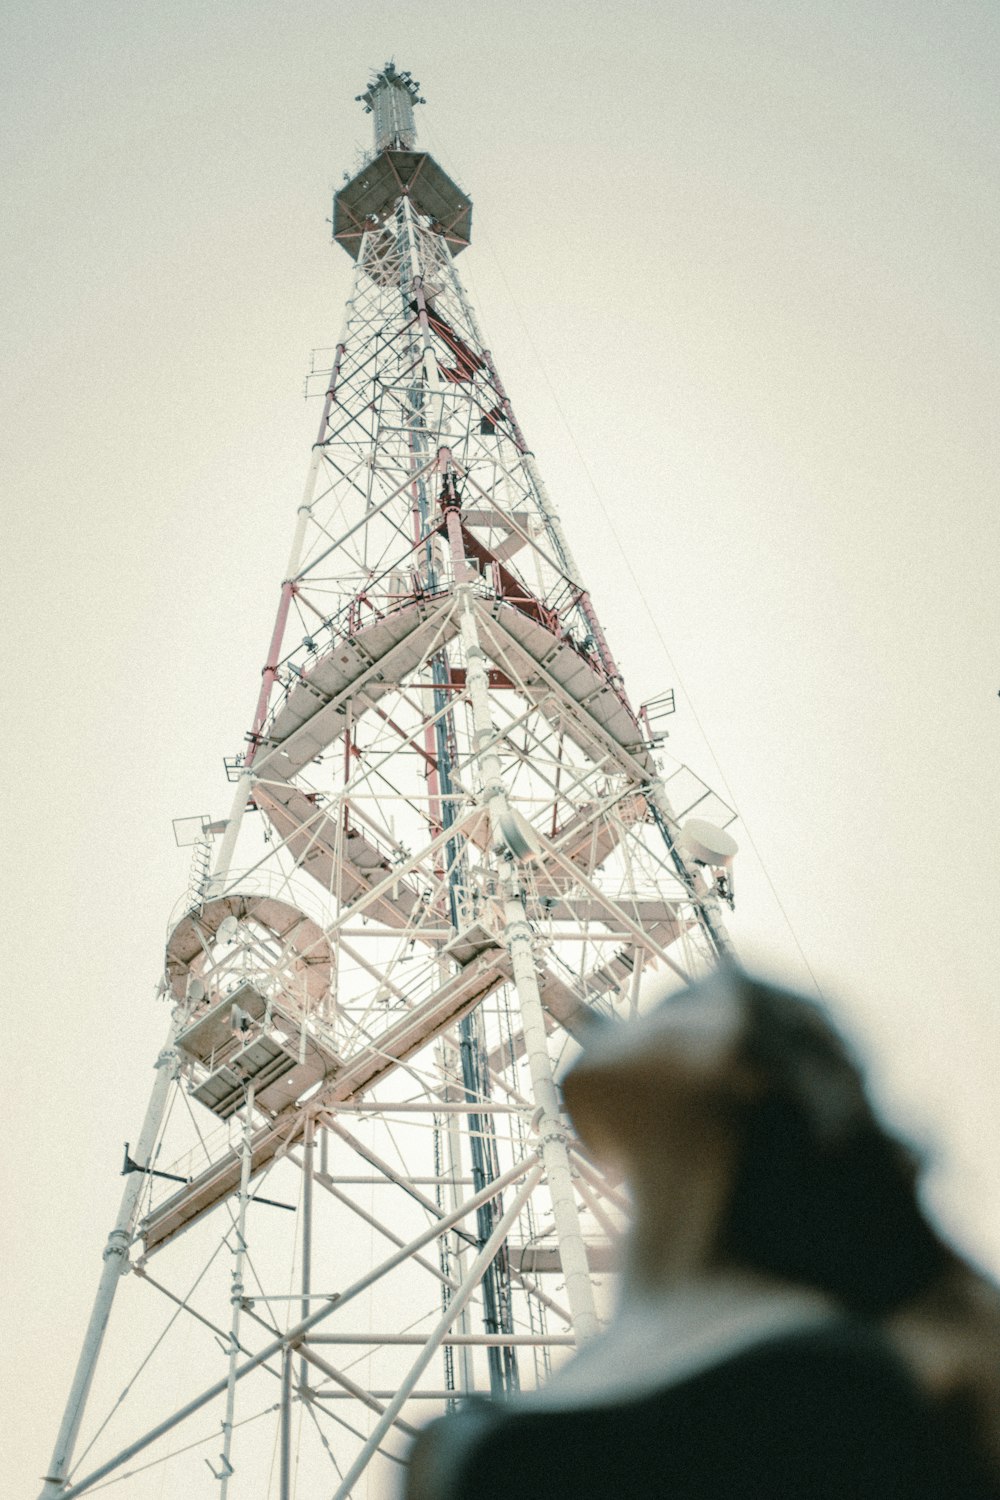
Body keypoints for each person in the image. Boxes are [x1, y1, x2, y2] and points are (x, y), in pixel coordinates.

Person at [405, 968, 1000, 1499]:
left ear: (750, 1073)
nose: (621, 1021)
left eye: (680, 1003)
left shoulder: (856, 1386)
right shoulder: (460, 1437)